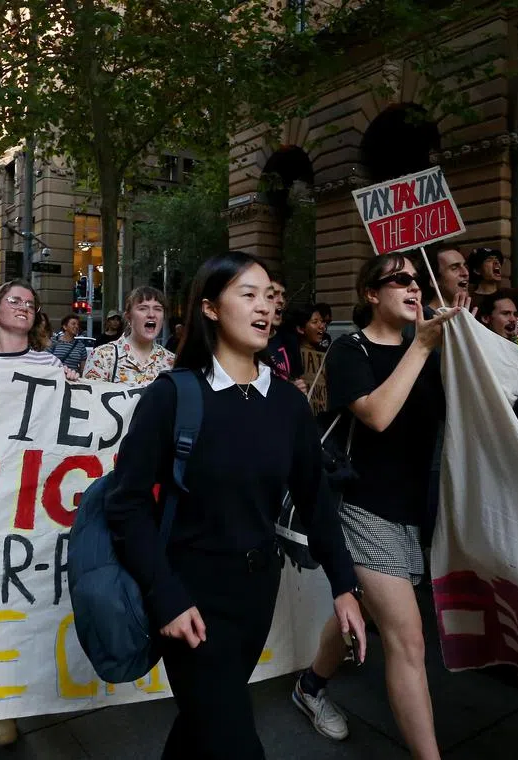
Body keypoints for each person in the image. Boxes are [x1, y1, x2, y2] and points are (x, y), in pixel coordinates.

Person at [105, 251, 365, 759]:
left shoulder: (289, 404)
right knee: (233, 741)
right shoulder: (172, 397)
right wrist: (167, 596)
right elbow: (127, 506)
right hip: (190, 597)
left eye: (269, 295)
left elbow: (315, 501)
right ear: (210, 309)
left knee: (203, 723)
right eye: (247, 294)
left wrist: (344, 585)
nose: (264, 306)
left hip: (256, 593)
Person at [296, 253, 462, 759]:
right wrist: (424, 347)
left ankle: (309, 685)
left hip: (415, 512)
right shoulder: (351, 349)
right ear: (372, 293)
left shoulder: (429, 353)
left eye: (418, 280)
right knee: (408, 640)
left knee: (362, 611)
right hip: (364, 509)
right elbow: (377, 416)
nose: (415, 288)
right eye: (401, 280)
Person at [0, 278, 75, 747]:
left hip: (34, 493)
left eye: (30, 304)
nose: (23, 308)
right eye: (14, 301)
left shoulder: (49, 365)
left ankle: (18, 697)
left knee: (26, 591)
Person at [83, 286, 175, 385]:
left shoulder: (171, 362)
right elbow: (90, 398)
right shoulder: (102, 356)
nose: (151, 314)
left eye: (158, 309)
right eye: (143, 308)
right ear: (128, 317)